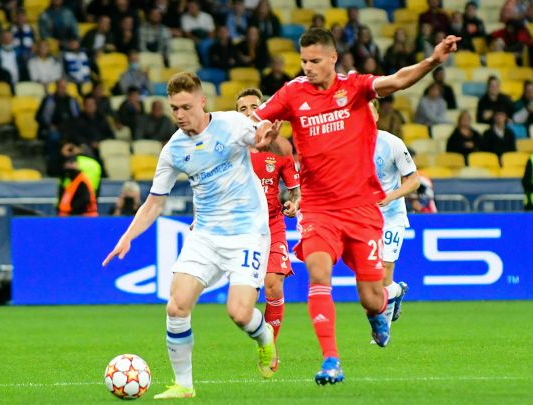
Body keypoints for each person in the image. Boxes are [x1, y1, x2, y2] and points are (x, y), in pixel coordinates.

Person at [251, 27, 460, 384]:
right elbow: (256, 119)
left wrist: (432, 61)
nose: (308, 67)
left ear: (333, 58)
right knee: (318, 272)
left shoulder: (355, 87)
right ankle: (331, 360)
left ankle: (381, 308)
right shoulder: (293, 92)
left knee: (370, 296)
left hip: (362, 209)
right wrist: (257, 132)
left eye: (315, 60)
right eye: (303, 61)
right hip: (318, 209)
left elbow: (397, 80)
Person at [103, 72, 284, 399]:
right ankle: (184, 385)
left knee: (239, 313)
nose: (180, 115)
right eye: (175, 108)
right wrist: (127, 236)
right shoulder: (173, 149)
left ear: (202, 102)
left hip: (247, 232)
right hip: (205, 235)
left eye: (186, 107)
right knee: (176, 307)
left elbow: (261, 138)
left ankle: (264, 337)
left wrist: (264, 138)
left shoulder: (231, 124)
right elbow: (154, 203)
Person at [236, 87, 300, 366]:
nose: (250, 112)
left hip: (272, 224)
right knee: (242, 305)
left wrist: (294, 203)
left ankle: (270, 348)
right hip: (240, 228)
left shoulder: (280, 147)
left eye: (255, 107)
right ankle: (261, 335)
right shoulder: (231, 147)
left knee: (273, 285)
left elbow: (295, 190)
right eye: (243, 109)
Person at [370, 100, 420, 333]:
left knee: (385, 267)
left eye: (369, 112)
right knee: (374, 279)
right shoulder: (346, 145)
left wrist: (391, 196)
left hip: (391, 215)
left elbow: (414, 180)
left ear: (376, 116)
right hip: (363, 218)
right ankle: (397, 291)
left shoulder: (391, 143)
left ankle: (383, 330)